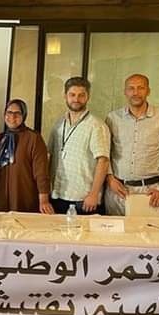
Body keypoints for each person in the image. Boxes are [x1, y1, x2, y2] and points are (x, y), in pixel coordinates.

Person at [104, 74, 159, 215]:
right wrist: (109, 178)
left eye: (140, 88)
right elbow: (105, 153)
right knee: (115, 229)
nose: (136, 92)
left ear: (148, 91)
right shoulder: (113, 118)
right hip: (117, 190)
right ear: (125, 92)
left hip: (150, 192)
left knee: (146, 228)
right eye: (131, 88)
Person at [47, 77, 111, 214]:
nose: (76, 99)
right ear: (65, 96)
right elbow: (50, 156)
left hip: (84, 199)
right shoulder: (58, 124)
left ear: (88, 97)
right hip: (58, 194)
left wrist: (94, 194)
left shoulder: (96, 125)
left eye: (81, 95)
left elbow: (103, 161)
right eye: (72, 95)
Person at [0, 99, 52, 213]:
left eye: (17, 113)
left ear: (24, 115)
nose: (12, 116)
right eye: (9, 112)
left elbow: (41, 172)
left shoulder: (33, 138)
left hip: (24, 195)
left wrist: (44, 200)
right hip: (0, 196)